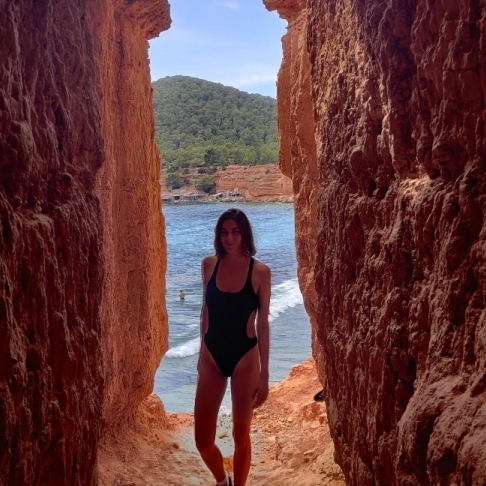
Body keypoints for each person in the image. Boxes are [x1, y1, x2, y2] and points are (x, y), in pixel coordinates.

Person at [194, 208, 271, 486]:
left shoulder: (260, 272)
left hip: (245, 357)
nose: (229, 238)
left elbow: (263, 324)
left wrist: (264, 375)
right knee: (202, 441)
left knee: (241, 437)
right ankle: (222, 481)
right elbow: (205, 311)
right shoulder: (209, 265)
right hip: (211, 357)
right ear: (218, 235)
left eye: (235, 232)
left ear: (244, 234)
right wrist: (200, 352)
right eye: (224, 232)